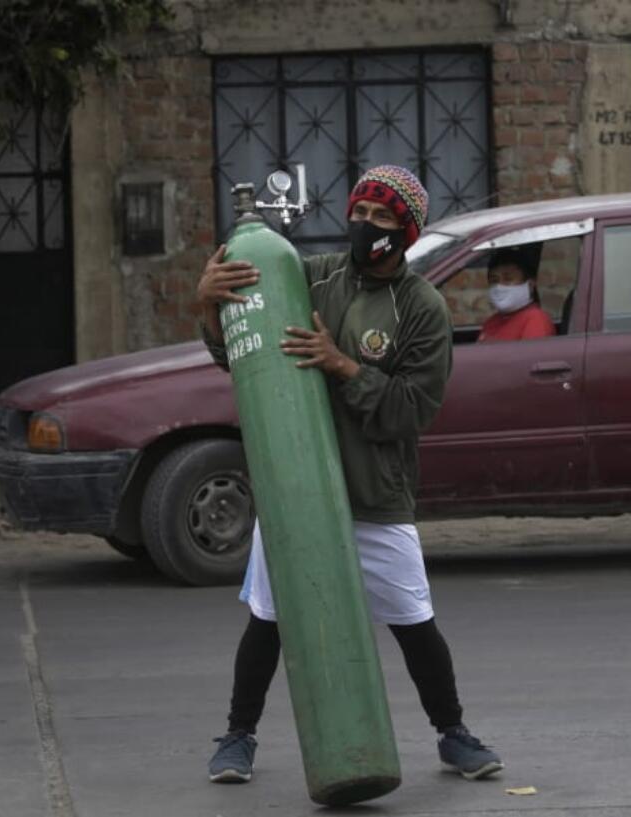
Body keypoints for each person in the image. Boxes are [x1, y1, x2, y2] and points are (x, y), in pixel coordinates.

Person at [196, 165, 504, 785]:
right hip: (296, 489)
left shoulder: (422, 308)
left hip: (374, 494)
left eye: (382, 218)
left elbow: (411, 410)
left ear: (407, 232)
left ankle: (453, 734)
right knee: (271, 620)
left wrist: (342, 366)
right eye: (359, 213)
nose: (365, 226)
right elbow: (242, 347)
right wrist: (209, 303)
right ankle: (237, 737)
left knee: (414, 623)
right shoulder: (313, 276)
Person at [477, 243, 556, 342]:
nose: (499, 286)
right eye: (494, 280)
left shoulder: (536, 319)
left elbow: (530, 356)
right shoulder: (491, 322)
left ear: (530, 285)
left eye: (508, 279)